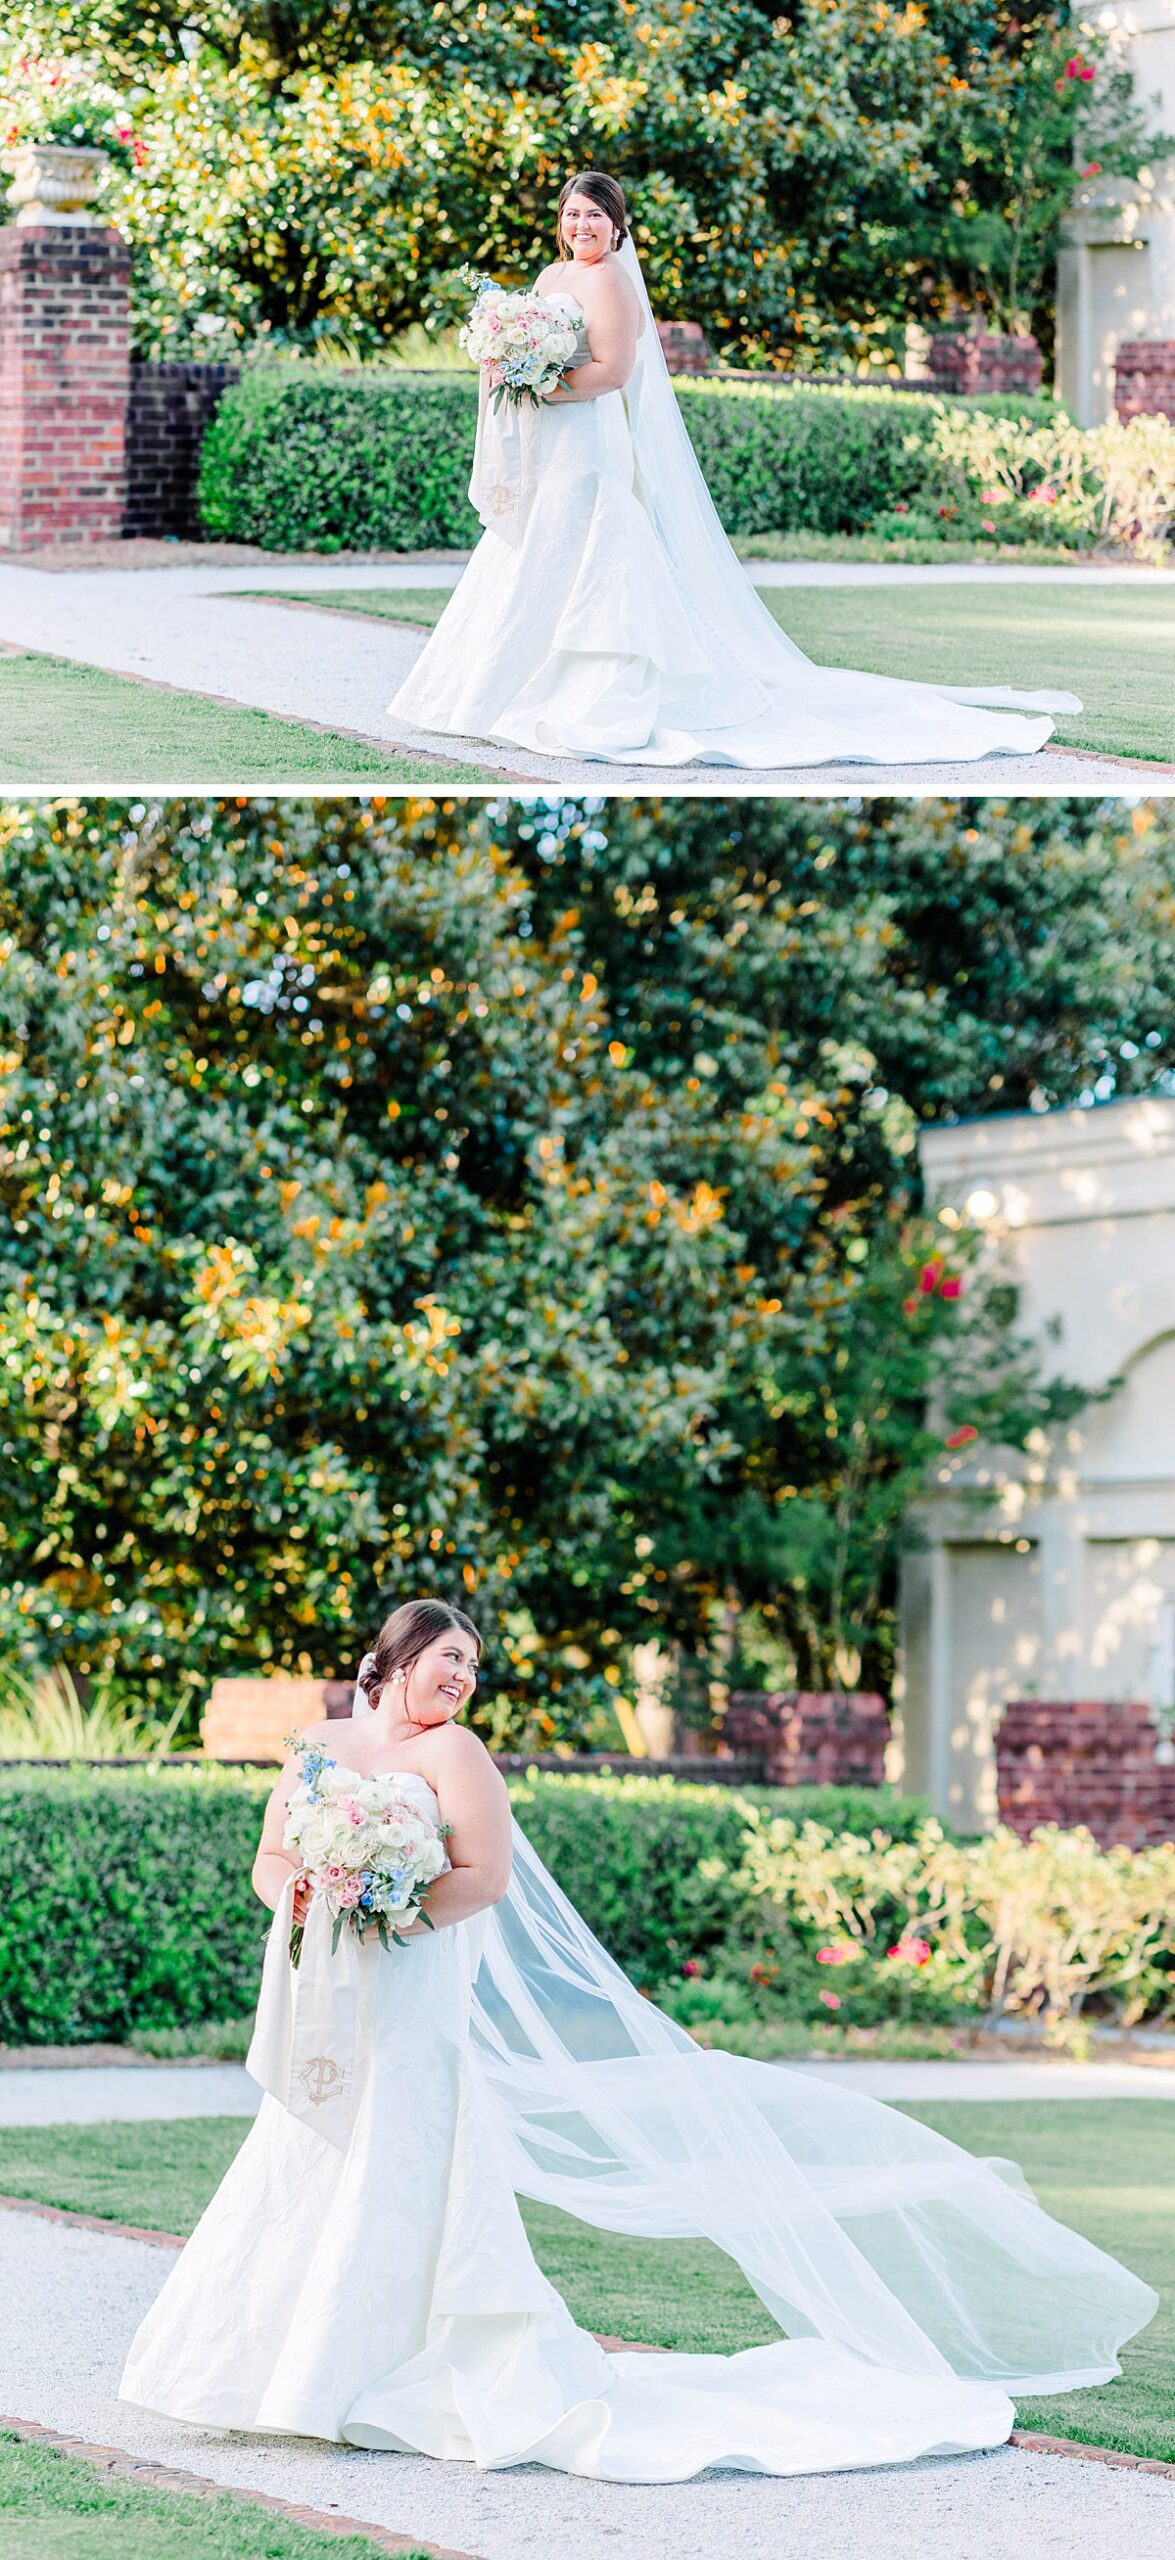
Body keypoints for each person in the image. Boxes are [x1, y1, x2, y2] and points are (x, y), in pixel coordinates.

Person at [119, 1595, 1154, 2482]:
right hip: (327, 1985)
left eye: (473, 1668)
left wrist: (390, 1912)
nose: (462, 1681)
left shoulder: (457, 1755)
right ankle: (266, 2364)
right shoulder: (320, 1750)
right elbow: (269, 1854)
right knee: (308, 2141)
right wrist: (313, 1900)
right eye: (448, 1660)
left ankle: (374, 2369)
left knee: (400, 2149)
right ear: (392, 1659)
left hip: (414, 1983)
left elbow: (482, 1877)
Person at [388, 171, 1081, 771]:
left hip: (586, 438)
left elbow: (611, 371)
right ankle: (494, 688)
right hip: (547, 437)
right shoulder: (550, 277)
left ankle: (590, 694)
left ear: (615, 226)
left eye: (594, 215)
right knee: (531, 552)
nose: (581, 225)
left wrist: (540, 383)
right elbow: (533, 345)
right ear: (559, 221)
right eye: (572, 213)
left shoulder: (611, 287)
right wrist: (505, 359)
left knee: (587, 548)